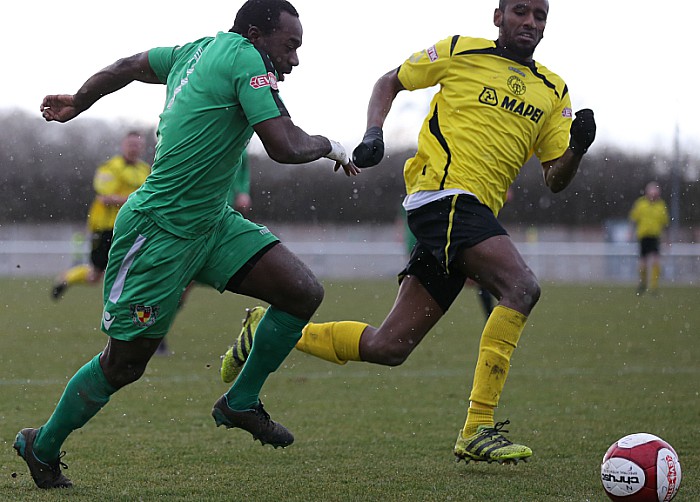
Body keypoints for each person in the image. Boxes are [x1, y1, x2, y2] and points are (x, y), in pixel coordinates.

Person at [222, 0, 596, 465]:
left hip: (469, 214)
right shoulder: (460, 50)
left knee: (389, 346)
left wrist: (577, 148)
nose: (531, 22)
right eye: (521, 11)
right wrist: (373, 132)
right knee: (521, 287)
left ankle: (267, 330)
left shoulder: (553, 89)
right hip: (443, 198)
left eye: (540, 16)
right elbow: (390, 80)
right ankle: (478, 427)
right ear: (498, 16)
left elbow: (555, 179)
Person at [15, 0, 358, 490]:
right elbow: (283, 146)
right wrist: (329, 145)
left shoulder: (194, 51)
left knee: (301, 292)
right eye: (290, 46)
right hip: (159, 230)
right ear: (258, 34)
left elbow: (127, 66)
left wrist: (80, 100)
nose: (295, 59)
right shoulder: (246, 59)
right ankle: (41, 445)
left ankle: (240, 402)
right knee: (125, 364)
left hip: (213, 223)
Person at [51, 131, 151, 300]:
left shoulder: (145, 170)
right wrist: (136, 199)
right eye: (131, 144)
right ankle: (65, 278)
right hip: (105, 226)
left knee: (135, 266)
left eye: (138, 145)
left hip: (132, 226)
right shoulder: (109, 167)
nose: (134, 149)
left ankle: (128, 303)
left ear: (142, 148)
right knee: (95, 275)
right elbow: (105, 198)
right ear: (123, 146)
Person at [628, 182, 669, 295]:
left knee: (656, 260)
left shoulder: (661, 205)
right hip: (643, 236)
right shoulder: (641, 204)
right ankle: (643, 283)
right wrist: (630, 232)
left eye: (655, 194)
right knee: (643, 261)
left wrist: (666, 239)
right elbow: (633, 218)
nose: (653, 196)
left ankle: (654, 286)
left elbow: (664, 223)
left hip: (655, 236)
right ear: (647, 193)